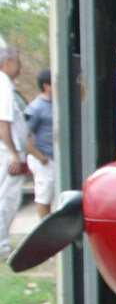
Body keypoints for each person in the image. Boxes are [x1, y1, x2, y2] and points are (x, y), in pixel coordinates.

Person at [0, 43, 29, 255]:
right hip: (8, 149)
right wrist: (12, 152)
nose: (19, 66)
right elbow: (3, 121)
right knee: (8, 197)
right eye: (17, 61)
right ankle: (1, 244)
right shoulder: (3, 84)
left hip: (9, 147)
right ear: (8, 62)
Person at [23, 71, 53, 220]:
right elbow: (24, 135)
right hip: (45, 160)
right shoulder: (35, 108)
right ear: (46, 86)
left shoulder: (58, 105)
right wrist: (40, 157)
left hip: (55, 158)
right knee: (44, 196)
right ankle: (45, 229)